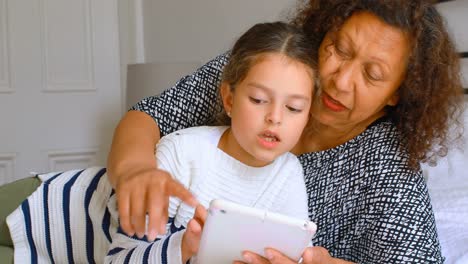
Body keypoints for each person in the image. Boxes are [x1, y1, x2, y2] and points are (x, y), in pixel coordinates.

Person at [107, 1, 465, 263]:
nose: (340, 81)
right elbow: (150, 115)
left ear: (398, 93)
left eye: (372, 75)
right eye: (339, 49)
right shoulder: (272, 67)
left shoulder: (388, 167)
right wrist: (135, 169)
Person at [105, 22, 318, 263]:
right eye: (258, 100)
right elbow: (118, 259)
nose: (275, 117)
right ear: (229, 99)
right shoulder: (183, 154)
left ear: (307, 117)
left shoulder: (289, 175)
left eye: (293, 108)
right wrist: (184, 246)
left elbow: (294, 254)